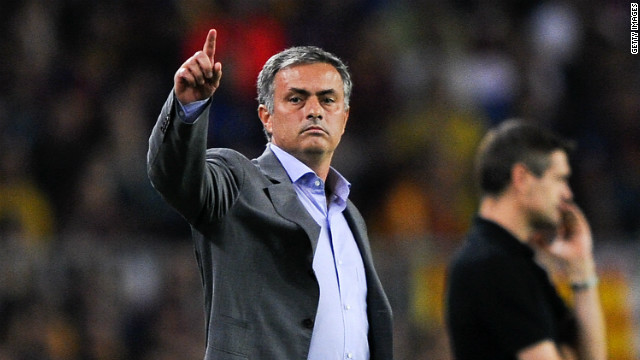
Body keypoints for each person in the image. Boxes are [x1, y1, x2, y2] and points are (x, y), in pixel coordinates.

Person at [147, 29, 393, 360]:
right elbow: (176, 177)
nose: (314, 110)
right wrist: (188, 108)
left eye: (328, 99)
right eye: (296, 99)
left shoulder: (351, 216)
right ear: (267, 117)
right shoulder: (237, 179)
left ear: (344, 118)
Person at [445, 119, 606, 360]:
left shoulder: (518, 263)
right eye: (559, 179)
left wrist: (581, 267)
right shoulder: (491, 265)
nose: (567, 194)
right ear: (521, 178)